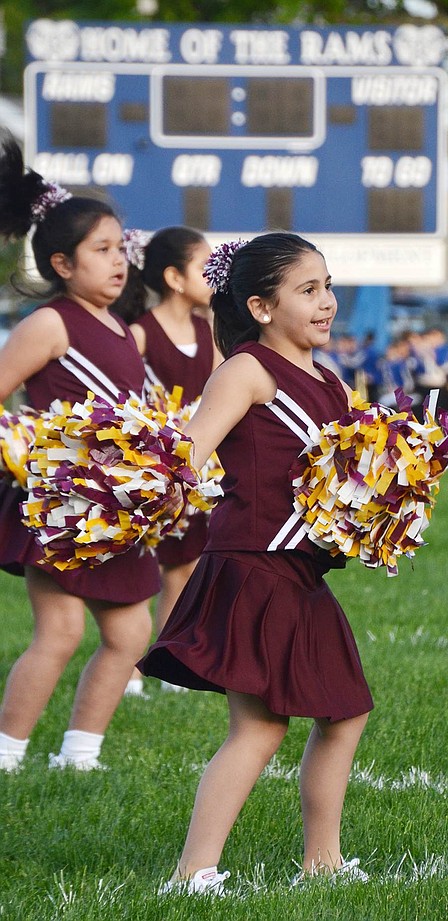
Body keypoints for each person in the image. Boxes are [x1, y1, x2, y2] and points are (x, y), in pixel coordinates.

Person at [139, 232, 373, 894]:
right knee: (261, 726)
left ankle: (321, 862)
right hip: (251, 567)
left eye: (327, 285)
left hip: (300, 572)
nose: (327, 301)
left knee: (345, 707)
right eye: (308, 290)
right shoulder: (246, 369)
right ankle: (192, 872)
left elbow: (341, 483)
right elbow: (189, 452)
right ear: (261, 307)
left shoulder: (332, 381)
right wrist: (139, 481)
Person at [0, 135, 159, 772]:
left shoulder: (123, 325)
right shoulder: (51, 322)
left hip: (116, 506)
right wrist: (31, 456)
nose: (119, 261)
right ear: (63, 265)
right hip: (63, 506)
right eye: (102, 251)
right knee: (61, 632)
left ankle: (78, 756)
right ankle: (7, 756)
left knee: (130, 634)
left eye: (121, 248)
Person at [114, 227, 221, 696]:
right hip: (149, 467)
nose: (215, 276)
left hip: (194, 468)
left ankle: (171, 656)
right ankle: (129, 664)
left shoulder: (206, 331)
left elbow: (221, 388)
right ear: (175, 277)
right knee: (144, 567)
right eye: (205, 267)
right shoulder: (140, 332)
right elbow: (117, 399)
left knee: (188, 565)